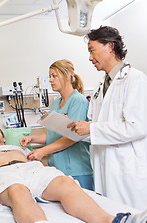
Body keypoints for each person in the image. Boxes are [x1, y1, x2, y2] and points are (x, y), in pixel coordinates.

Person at [0, 124, 147, 223]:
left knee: (66, 183)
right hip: (2, 173)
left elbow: (39, 155)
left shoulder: (19, 147)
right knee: (18, 191)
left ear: (4, 136)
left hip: (31, 168)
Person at [67, 26, 147, 210]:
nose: (89, 58)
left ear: (110, 47)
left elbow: (137, 127)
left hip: (131, 172)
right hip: (108, 171)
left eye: (92, 50)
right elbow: (97, 128)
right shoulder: (101, 87)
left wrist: (91, 129)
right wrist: (78, 128)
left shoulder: (135, 80)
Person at [20, 59, 94, 190]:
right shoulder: (55, 103)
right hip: (57, 170)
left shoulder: (78, 101)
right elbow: (51, 135)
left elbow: (72, 138)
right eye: (50, 76)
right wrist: (32, 138)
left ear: (66, 76)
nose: (50, 80)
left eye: (54, 76)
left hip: (76, 170)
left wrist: (43, 151)